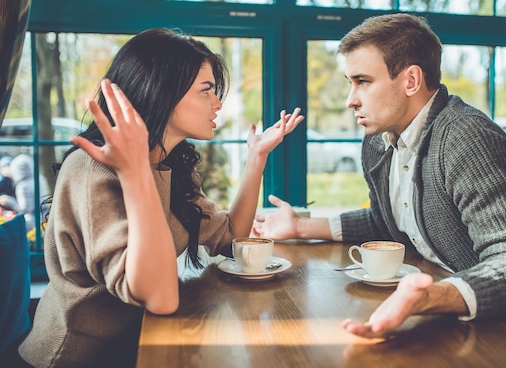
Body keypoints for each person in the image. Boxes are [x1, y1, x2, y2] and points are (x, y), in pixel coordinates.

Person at [252, 13, 506, 338]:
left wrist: (429, 298)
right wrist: (301, 228)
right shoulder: (377, 142)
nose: (350, 100)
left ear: (411, 81)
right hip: (446, 313)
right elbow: (388, 220)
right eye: (350, 83)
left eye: (363, 81)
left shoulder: (467, 138)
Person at [15, 28, 303, 368]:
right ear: (162, 93)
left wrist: (257, 158)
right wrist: (137, 170)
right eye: (206, 91)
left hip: (138, 340)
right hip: (77, 356)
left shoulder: (171, 162)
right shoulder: (93, 169)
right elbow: (160, 298)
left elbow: (230, 238)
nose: (218, 104)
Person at [0, 153, 50, 230]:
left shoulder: (22, 186)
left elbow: (24, 210)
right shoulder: (40, 178)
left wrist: (9, 201)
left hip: (33, 221)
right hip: (45, 216)